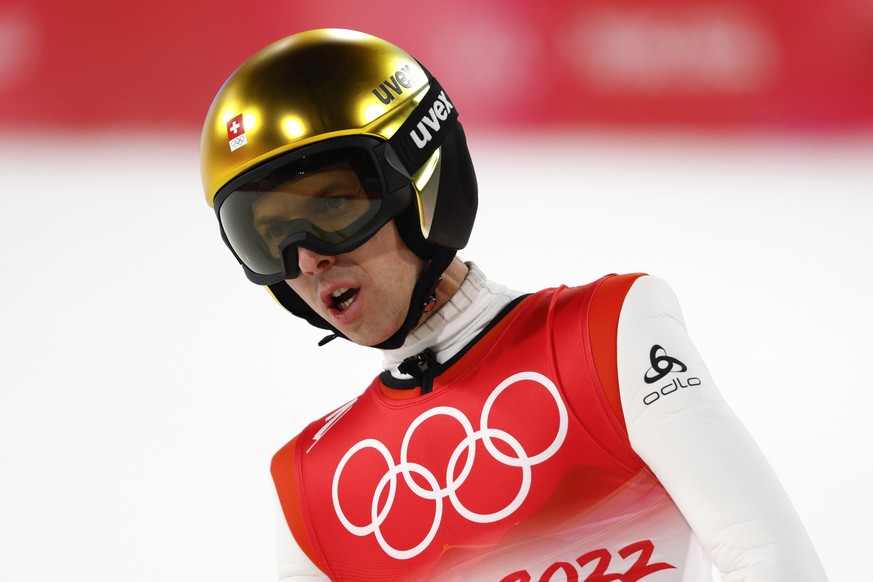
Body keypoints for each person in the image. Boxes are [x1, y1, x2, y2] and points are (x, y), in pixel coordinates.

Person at [199, 28, 827, 582]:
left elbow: (772, 559)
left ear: (422, 173)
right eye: (270, 236)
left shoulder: (605, 338)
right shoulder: (311, 487)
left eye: (332, 209)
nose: (307, 259)